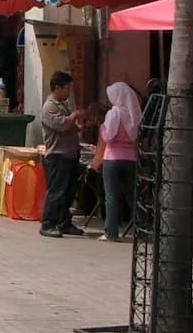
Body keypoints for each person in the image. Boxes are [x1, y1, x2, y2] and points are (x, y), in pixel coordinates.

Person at [90, 82, 141, 242]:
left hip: (112, 158)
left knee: (111, 196)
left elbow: (108, 137)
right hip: (130, 159)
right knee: (132, 196)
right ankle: (143, 229)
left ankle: (111, 232)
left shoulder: (114, 114)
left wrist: (101, 127)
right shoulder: (133, 115)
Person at [39, 70, 88, 238]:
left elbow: (71, 126)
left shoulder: (63, 104)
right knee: (56, 191)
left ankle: (64, 221)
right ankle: (48, 223)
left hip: (70, 154)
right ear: (57, 88)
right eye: (67, 88)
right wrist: (73, 117)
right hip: (58, 155)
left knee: (68, 191)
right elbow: (62, 125)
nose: (69, 91)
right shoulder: (50, 107)